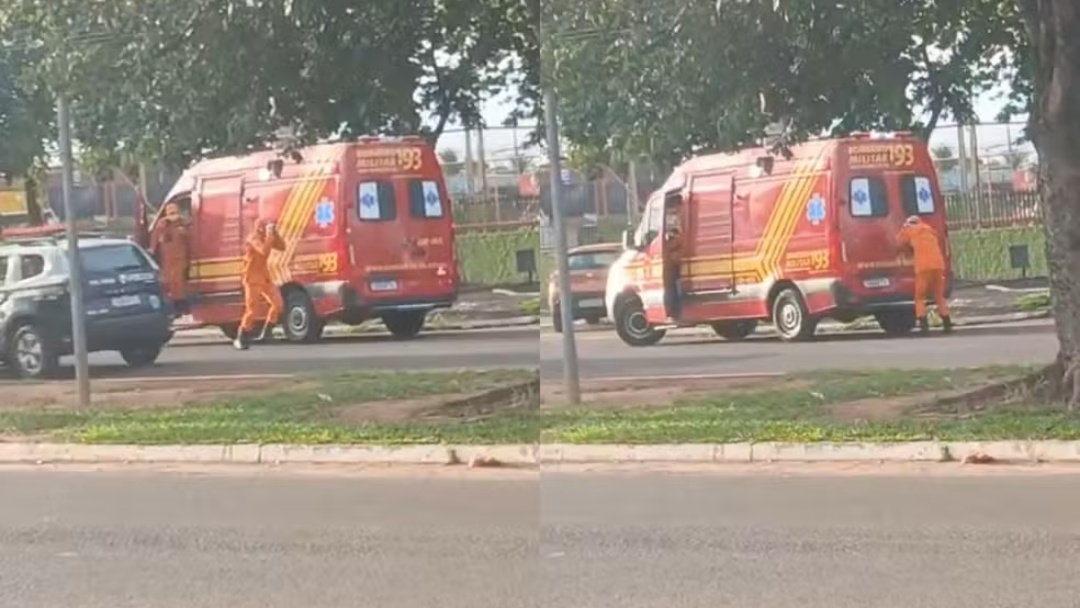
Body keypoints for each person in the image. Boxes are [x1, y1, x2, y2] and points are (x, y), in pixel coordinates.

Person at [235, 218, 286, 350]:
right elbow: (264, 251)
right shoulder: (253, 238)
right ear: (260, 228)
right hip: (251, 278)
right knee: (252, 310)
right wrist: (269, 235)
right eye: (266, 227)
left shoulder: (267, 237)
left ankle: (267, 332)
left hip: (264, 277)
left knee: (278, 304)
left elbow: (282, 247)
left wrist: (275, 233)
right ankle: (241, 337)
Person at [897, 215, 952, 335]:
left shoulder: (910, 230)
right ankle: (947, 324)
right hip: (938, 265)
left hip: (923, 267)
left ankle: (924, 327)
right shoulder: (929, 229)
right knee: (939, 296)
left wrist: (904, 228)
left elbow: (899, 243)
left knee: (920, 298)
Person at [148, 202, 191, 313]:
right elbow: (155, 238)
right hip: (167, 258)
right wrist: (152, 250)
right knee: (170, 282)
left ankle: (181, 304)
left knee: (179, 281)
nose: (172, 213)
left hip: (181, 257)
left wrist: (183, 232)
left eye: (174, 210)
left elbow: (191, 236)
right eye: (170, 211)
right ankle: (174, 305)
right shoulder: (162, 224)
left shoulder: (183, 223)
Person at [664, 223, 684, 320]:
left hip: (675, 272)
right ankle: (675, 311)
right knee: (674, 291)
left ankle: (675, 311)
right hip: (674, 272)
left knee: (674, 292)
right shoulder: (677, 242)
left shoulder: (675, 243)